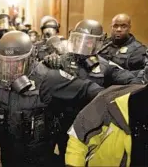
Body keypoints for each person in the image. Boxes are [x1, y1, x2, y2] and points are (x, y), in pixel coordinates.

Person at [0, 31, 104, 167]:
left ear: (30, 58)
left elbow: (90, 91)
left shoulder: (49, 77)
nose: (10, 69)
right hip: (7, 147)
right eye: (5, 62)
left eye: (17, 63)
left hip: (38, 153)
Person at [42, 19, 142, 165]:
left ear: (98, 44)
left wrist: (110, 98)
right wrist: (48, 63)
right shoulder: (60, 61)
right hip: (61, 122)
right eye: (78, 40)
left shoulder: (104, 66)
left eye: (88, 42)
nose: (82, 46)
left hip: (90, 123)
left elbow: (133, 83)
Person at [65, 40, 148, 166]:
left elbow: (126, 76)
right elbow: (78, 136)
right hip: (79, 116)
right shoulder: (113, 99)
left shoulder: (105, 66)